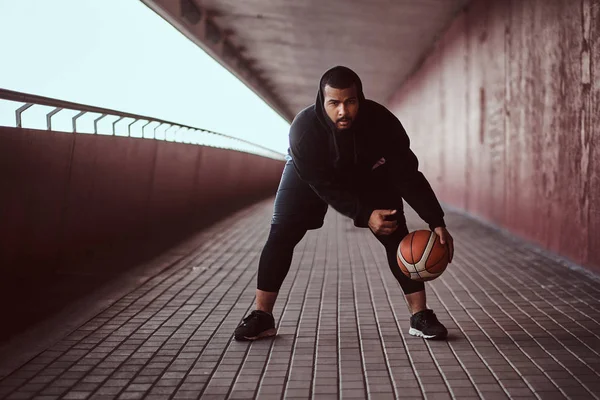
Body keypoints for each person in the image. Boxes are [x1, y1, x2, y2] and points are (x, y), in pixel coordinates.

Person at [234, 66, 454, 341]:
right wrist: (363, 213)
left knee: (395, 233)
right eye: (334, 103)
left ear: (359, 98)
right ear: (322, 101)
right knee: (281, 233)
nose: (343, 111)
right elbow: (323, 186)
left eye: (350, 102)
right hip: (312, 176)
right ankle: (262, 316)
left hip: (369, 171)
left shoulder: (382, 123)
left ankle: (420, 315)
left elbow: (407, 175)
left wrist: (436, 220)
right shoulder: (304, 131)